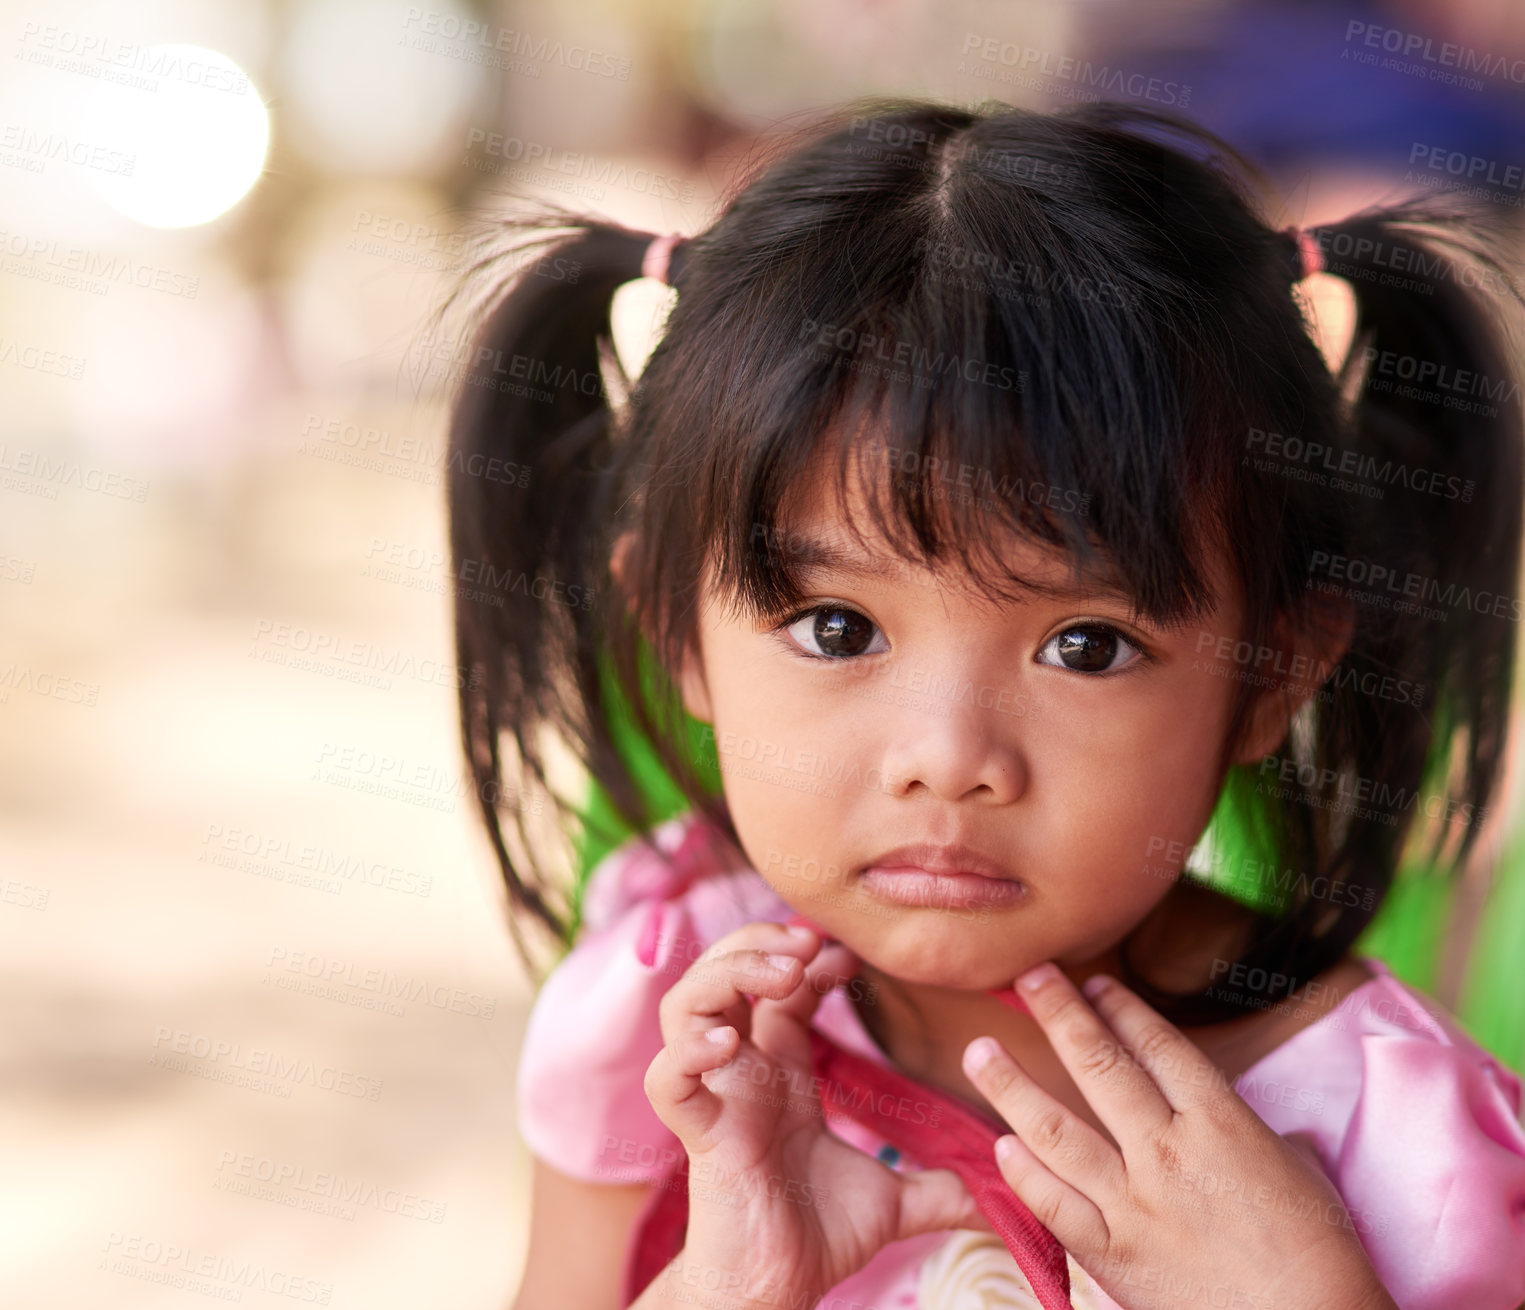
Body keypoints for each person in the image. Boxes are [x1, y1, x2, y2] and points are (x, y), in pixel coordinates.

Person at [442, 98, 1525, 1310]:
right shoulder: (669, 1017)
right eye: (835, 628)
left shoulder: (1395, 1140)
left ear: (1274, 670)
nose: (949, 758)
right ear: (673, 632)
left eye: (1086, 644)